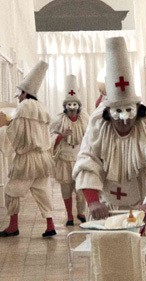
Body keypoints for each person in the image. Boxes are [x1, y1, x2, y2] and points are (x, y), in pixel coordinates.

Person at [73, 37, 146, 227]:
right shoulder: (97, 129)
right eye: (117, 111)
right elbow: (87, 160)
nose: (124, 119)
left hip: (140, 205)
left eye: (129, 110)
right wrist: (92, 200)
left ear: (138, 110)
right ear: (108, 112)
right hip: (105, 206)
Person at [0, 61, 56, 238]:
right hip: (43, 157)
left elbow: (15, 133)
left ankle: (13, 226)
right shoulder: (41, 107)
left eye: (20, 94)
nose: (18, 98)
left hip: (27, 159)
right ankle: (50, 225)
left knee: (11, 191)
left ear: (24, 93)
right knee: (43, 191)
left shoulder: (23, 107)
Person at [51, 75, 89, 226]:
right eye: (69, 106)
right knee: (66, 189)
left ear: (78, 107)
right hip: (64, 159)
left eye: (74, 106)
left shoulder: (85, 119)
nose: (72, 109)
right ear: (65, 107)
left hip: (80, 158)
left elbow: (92, 137)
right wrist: (62, 136)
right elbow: (50, 139)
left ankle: (81, 212)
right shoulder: (59, 120)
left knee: (81, 189)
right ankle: (69, 216)